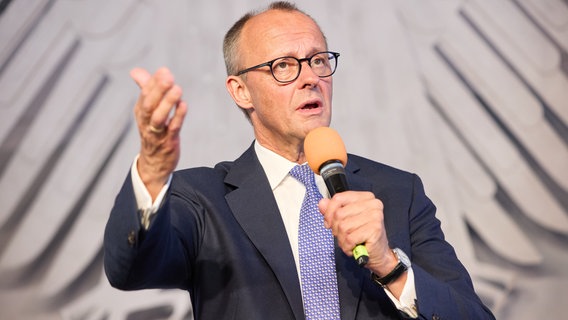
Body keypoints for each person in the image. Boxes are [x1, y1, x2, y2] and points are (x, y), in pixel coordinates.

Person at [104, 2, 495, 319]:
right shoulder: (202, 198)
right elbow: (130, 269)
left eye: (318, 60)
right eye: (284, 66)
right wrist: (153, 167)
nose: (310, 78)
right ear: (241, 91)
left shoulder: (397, 191)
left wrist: (389, 265)